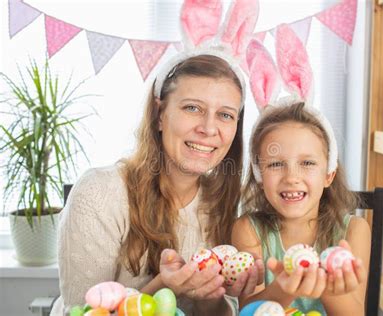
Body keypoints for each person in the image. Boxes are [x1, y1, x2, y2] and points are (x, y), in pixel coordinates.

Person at [51, 54, 264, 316]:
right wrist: (164, 286)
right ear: (160, 113)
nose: (209, 129)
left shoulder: (226, 202)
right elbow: (83, 311)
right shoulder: (99, 194)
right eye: (192, 108)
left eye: (225, 115)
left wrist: (209, 297)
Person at [232, 102, 370, 315]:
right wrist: (284, 287)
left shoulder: (354, 230)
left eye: (307, 163)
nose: (291, 178)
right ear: (260, 178)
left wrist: (325, 282)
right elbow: (247, 311)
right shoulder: (248, 229)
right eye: (276, 164)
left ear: (328, 175)